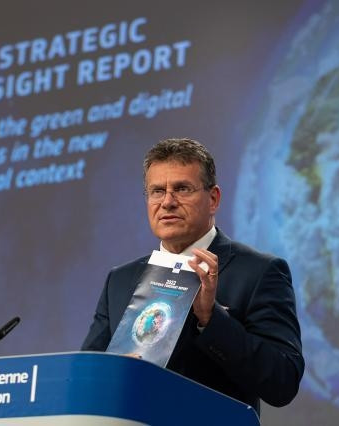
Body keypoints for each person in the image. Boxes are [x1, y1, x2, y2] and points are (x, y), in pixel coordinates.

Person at [81, 138, 304, 413]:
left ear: (213, 199)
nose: (167, 202)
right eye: (157, 191)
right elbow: (84, 377)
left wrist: (211, 319)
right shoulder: (120, 280)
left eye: (182, 189)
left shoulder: (259, 272)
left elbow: (283, 381)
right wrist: (114, 372)